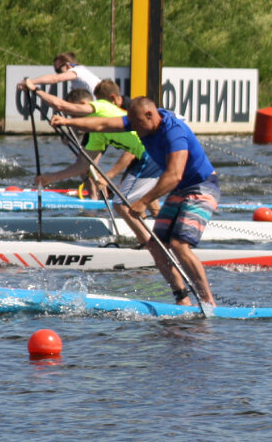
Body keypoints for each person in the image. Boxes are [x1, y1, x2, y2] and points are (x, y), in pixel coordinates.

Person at [53, 97, 219, 306]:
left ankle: (208, 302)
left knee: (179, 244)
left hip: (202, 187)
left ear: (149, 115)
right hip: (179, 190)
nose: (135, 130)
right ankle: (182, 299)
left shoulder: (173, 132)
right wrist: (68, 122)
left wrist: (143, 202)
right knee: (155, 245)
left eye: (137, 124)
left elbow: (174, 175)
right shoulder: (139, 121)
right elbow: (102, 124)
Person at [26, 82, 162, 217]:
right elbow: (83, 165)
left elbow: (61, 106)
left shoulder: (101, 106)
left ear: (83, 105)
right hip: (150, 155)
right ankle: (157, 223)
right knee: (141, 195)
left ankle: (146, 229)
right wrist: (51, 178)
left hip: (153, 151)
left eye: (74, 115)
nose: (73, 119)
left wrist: (35, 90)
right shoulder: (96, 133)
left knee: (123, 202)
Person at [17, 52, 102, 95]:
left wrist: (29, 82)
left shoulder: (78, 71)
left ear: (67, 65)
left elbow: (55, 79)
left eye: (59, 71)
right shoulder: (79, 76)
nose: (58, 74)